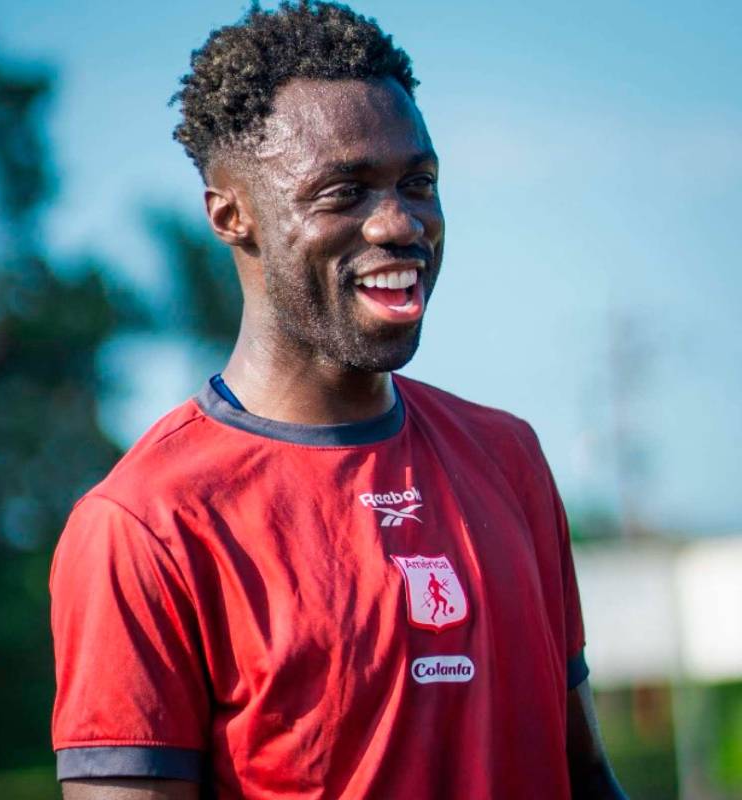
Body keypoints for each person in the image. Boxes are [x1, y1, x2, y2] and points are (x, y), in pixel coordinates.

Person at [50, 2, 628, 798]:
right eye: (344, 191)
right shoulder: (146, 525)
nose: (400, 223)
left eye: (417, 182)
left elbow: (586, 776)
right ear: (231, 214)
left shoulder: (509, 458)